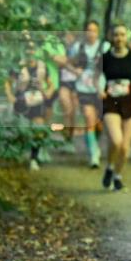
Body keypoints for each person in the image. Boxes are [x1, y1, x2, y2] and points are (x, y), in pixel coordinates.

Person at [100, 23, 131, 191]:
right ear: (111, 37)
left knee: (125, 146)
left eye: (122, 34)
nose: (119, 38)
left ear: (126, 37)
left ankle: (117, 176)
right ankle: (109, 166)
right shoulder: (105, 58)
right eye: (116, 35)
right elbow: (95, 77)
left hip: (129, 102)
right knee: (116, 141)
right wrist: (99, 89)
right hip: (111, 102)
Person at [5, 42, 55, 170]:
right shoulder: (18, 66)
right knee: (22, 130)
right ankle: (19, 153)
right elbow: (8, 82)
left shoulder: (42, 66)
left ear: (36, 51)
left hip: (37, 101)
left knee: (38, 129)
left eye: (32, 49)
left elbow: (51, 84)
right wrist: (10, 95)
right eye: (27, 49)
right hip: (21, 101)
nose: (30, 52)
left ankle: (34, 158)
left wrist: (48, 92)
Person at [70, 20, 108, 168]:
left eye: (94, 30)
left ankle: (94, 145)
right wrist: (75, 70)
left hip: (101, 89)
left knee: (99, 124)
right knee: (88, 117)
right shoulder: (77, 47)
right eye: (88, 30)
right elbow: (70, 63)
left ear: (98, 32)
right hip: (83, 88)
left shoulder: (105, 47)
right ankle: (93, 155)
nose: (91, 33)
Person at [50, 31, 80, 152]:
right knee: (67, 110)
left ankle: (70, 140)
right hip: (63, 82)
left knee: (73, 113)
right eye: (66, 35)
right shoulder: (59, 48)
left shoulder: (79, 47)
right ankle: (66, 139)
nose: (68, 38)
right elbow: (58, 60)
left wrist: (66, 62)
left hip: (77, 83)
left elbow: (79, 61)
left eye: (70, 35)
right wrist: (70, 63)